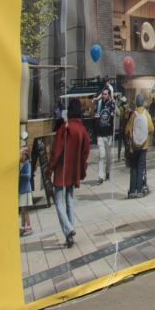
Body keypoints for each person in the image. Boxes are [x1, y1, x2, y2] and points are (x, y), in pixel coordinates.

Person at [48, 99, 90, 248]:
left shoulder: (65, 127)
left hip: (62, 170)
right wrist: (82, 170)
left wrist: (49, 169)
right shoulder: (82, 129)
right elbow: (85, 153)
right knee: (70, 201)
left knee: (58, 202)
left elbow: (56, 151)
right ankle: (70, 234)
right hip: (73, 171)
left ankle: (69, 229)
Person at [125, 94, 155, 198]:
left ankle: (132, 191)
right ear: (143, 102)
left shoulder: (133, 115)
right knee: (140, 168)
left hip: (134, 146)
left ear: (136, 102)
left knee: (133, 168)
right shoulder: (146, 114)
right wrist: (145, 135)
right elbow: (152, 129)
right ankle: (139, 190)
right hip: (144, 146)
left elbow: (127, 130)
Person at [94, 87, 116, 184]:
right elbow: (95, 116)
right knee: (101, 156)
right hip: (100, 134)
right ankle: (100, 176)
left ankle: (107, 172)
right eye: (103, 94)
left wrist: (113, 110)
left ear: (109, 95)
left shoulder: (112, 104)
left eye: (106, 94)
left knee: (108, 156)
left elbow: (115, 114)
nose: (104, 96)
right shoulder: (99, 104)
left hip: (108, 135)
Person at [19, 140, 34, 237]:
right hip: (22, 190)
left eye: (22, 155)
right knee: (22, 210)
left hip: (25, 190)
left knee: (24, 210)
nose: (20, 157)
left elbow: (28, 176)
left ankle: (28, 227)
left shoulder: (27, 164)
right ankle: (23, 226)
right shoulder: (22, 164)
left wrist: (20, 175)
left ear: (26, 156)